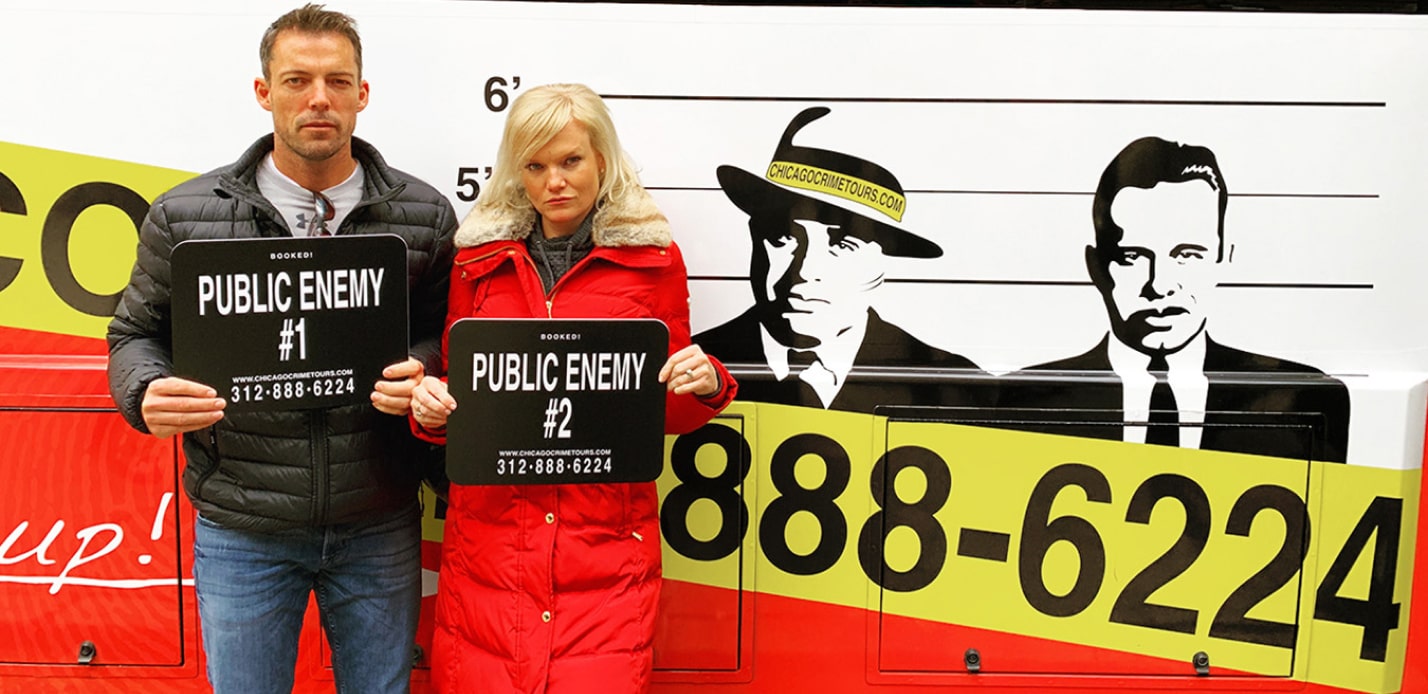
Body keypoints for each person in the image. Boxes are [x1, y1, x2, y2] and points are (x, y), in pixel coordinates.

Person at [105, 5, 456, 692]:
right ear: (264, 92)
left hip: (377, 517)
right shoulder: (185, 216)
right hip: (244, 525)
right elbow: (133, 335)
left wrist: (427, 371)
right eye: (297, 80)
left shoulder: (425, 214)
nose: (318, 98)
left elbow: (446, 334)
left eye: (336, 80)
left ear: (363, 93)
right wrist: (145, 389)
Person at [407, 83, 737, 693]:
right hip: (491, 554)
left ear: (602, 161)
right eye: (535, 165)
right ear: (517, 171)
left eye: (570, 161)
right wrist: (430, 410)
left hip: (605, 557)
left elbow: (665, 410)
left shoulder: (654, 259)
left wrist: (706, 383)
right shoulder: (476, 262)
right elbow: (460, 397)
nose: (553, 181)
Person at [999, 136, 1350, 463]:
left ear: (1223, 258)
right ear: (1096, 267)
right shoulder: (1025, 400)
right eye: (1133, 257)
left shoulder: (1304, 398)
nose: (1161, 284)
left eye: (1188, 254)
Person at [694, 106, 989, 413]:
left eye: (842, 245)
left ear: (881, 265)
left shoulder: (948, 386)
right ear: (754, 237)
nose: (805, 272)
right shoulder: (691, 370)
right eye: (783, 238)